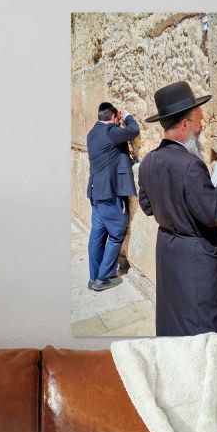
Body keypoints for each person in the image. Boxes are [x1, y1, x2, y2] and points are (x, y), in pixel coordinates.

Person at [137, 81, 217, 336]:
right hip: (195, 262)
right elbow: (214, 212)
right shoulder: (191, 165)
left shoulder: (148, 161)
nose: (201, 127)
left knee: (174, 325)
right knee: (201, 331)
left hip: (168, 253)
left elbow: (147, 206)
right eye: (198, 122)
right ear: (184, 124)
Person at [85, 101, 139, 291]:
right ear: (114, 117)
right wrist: (128, 116)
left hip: (95, 193)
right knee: (116, 234)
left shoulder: (92, 133)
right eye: (118, 118)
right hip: (110, 194)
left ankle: (93, 277)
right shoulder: (112, 131)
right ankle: (103, 278)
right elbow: (134, 130)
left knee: (97, 235)